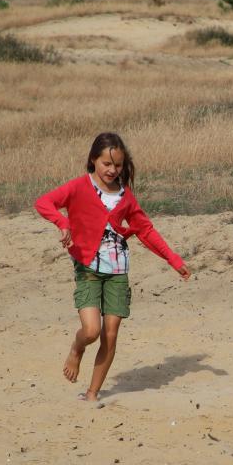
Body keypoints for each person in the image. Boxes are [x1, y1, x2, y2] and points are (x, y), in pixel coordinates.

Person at [35, 132, 190, 401]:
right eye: (106, 163)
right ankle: (76, 347)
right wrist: (63, 223)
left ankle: (92, 393)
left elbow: (146, 231)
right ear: (93, 160)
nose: (112, 170)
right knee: (92, 331)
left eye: (117, 165)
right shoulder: (78, 187)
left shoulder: (125, 197)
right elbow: (44, 203)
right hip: (88, 269)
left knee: (110, 334)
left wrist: (173, 260)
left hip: (118, 272)